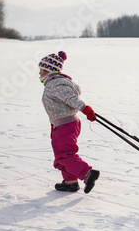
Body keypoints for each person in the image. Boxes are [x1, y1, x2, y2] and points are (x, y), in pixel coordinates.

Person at [38, 51, 99, 193]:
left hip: (65, 125)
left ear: (49, 70)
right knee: (63, 154)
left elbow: (71, 98)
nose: (39, 74)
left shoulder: (55, 84)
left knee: (65, 155)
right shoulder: (58, 82)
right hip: (65, 124)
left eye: (41, 70)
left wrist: (86, 109)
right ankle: (70, 182)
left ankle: (87, 174)